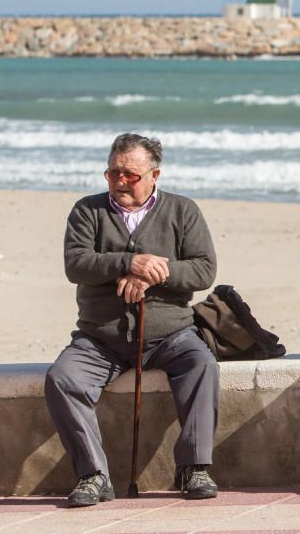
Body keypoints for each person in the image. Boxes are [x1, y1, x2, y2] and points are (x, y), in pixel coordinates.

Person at [45, 133, 220, 507]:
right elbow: (76, 264)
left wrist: (153, 272)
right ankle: (93, 475)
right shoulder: (86, 211)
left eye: (131, 175)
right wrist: (127, 262)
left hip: (171, 333)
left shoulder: (182, 210)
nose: (121, 182)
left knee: (202, 365)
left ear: (155, 175)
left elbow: (204, 270)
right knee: (63, 379)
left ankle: (193, 467)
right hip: (100, 338)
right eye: (114, 174)